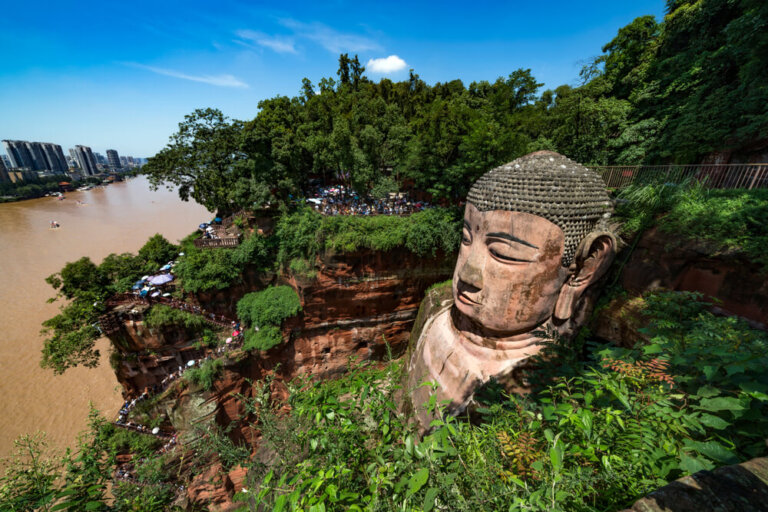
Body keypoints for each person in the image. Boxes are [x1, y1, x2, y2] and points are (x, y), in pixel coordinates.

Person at [407, 151, 616, 424]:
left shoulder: (539, 383)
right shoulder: (436, 313)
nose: (467, 274)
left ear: (586, 267)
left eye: (504, 254)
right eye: (466, 239)